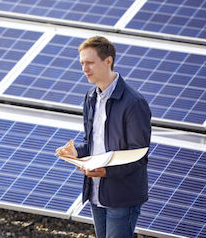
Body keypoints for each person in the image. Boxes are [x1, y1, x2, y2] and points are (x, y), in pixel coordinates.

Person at [56, 36, 151, 238]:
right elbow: (93, 144)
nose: (84, 69)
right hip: (96, 193)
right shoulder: (90, 97)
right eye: (82, 63)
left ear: (108, 61)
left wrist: (106, 172)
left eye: (90, 62)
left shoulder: (133, 103)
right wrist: (76, 152)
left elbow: (139, 155)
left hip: (122, 196)